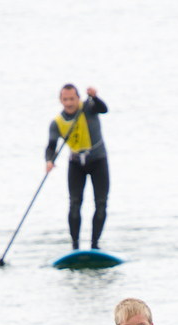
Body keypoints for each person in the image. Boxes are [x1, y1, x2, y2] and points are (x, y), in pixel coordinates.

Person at [45, 84, 109, 251]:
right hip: (76, 164)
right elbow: (51, 146)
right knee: (74, 204)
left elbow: (104, 109)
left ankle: (95, 245)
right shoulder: (57, 123)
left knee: (101, 204)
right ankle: (75, 247)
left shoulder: (88, 107)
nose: (69, 102)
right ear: (60, 100)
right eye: (65, 99)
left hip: (98, 161)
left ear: (78, 98)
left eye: (72, 99)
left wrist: (95, 97)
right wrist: (49, 161)